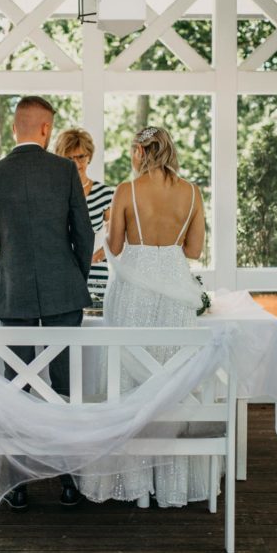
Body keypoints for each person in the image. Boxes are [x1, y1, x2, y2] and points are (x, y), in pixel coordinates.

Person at [0, 95, 94, 511]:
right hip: (65, 291)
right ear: (46, 129)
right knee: (62, 386)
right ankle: (67, 481)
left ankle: (19, 483)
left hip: (14, 294)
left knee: (17, 386)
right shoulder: (64, 171)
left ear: (14, 128)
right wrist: (75, 276)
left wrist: (1, 281)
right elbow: (84, 233)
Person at [78, 125, 207, 508]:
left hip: (131, 294)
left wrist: (108, 222)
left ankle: (130, 484)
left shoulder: (125, 191)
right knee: (171, 384)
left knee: (126, 383)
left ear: (139, 152)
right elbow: (195, 249)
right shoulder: (193, 193)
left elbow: (114, 245)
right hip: (175, 297)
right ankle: (170, 486)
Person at [54, 128, 115, 305]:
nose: (76, 163)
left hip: (97, 279)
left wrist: (95, 257)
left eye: (80, 156)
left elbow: (119, 237)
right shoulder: (53, 194)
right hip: (62, 279)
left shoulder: (105, 194)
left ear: (89, 156)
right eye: (69, 158)